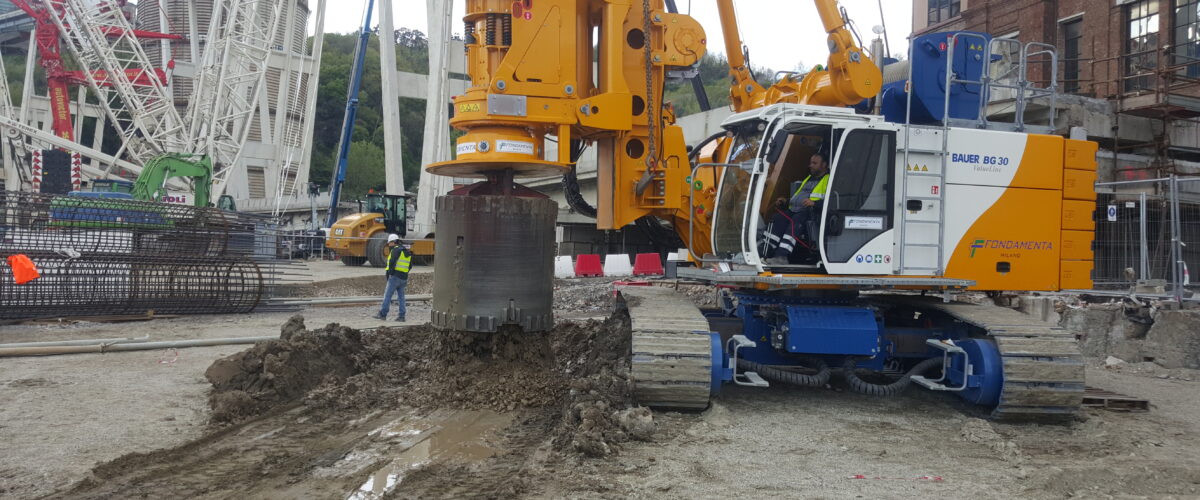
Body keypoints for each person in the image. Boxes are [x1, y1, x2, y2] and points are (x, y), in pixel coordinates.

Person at [762, 151, 830, 264]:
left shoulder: (829, 180)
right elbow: (798, 197)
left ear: (824, 165)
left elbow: (832, 201)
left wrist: (815, 203)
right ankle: (765, 251)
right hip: (795, 210)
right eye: (810, 163)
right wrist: (786, 201)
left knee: (795, 222)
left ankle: (781, 257)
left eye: (814, 163)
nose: (810, 165)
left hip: (811, 213)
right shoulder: (809, 178)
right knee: (777, 218)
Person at [373, 234, 411, 322]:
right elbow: (410, 265)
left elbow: (392, 262)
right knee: (401, 297)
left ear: (393, 242)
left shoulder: (395, 250)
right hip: (404, 278)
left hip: (394, 277)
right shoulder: (406, 251)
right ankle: (402, 316)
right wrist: (404, 273)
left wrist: (390, 273)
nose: (388, 244)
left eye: (389, 243)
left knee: (387, 296)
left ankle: (383, 314)